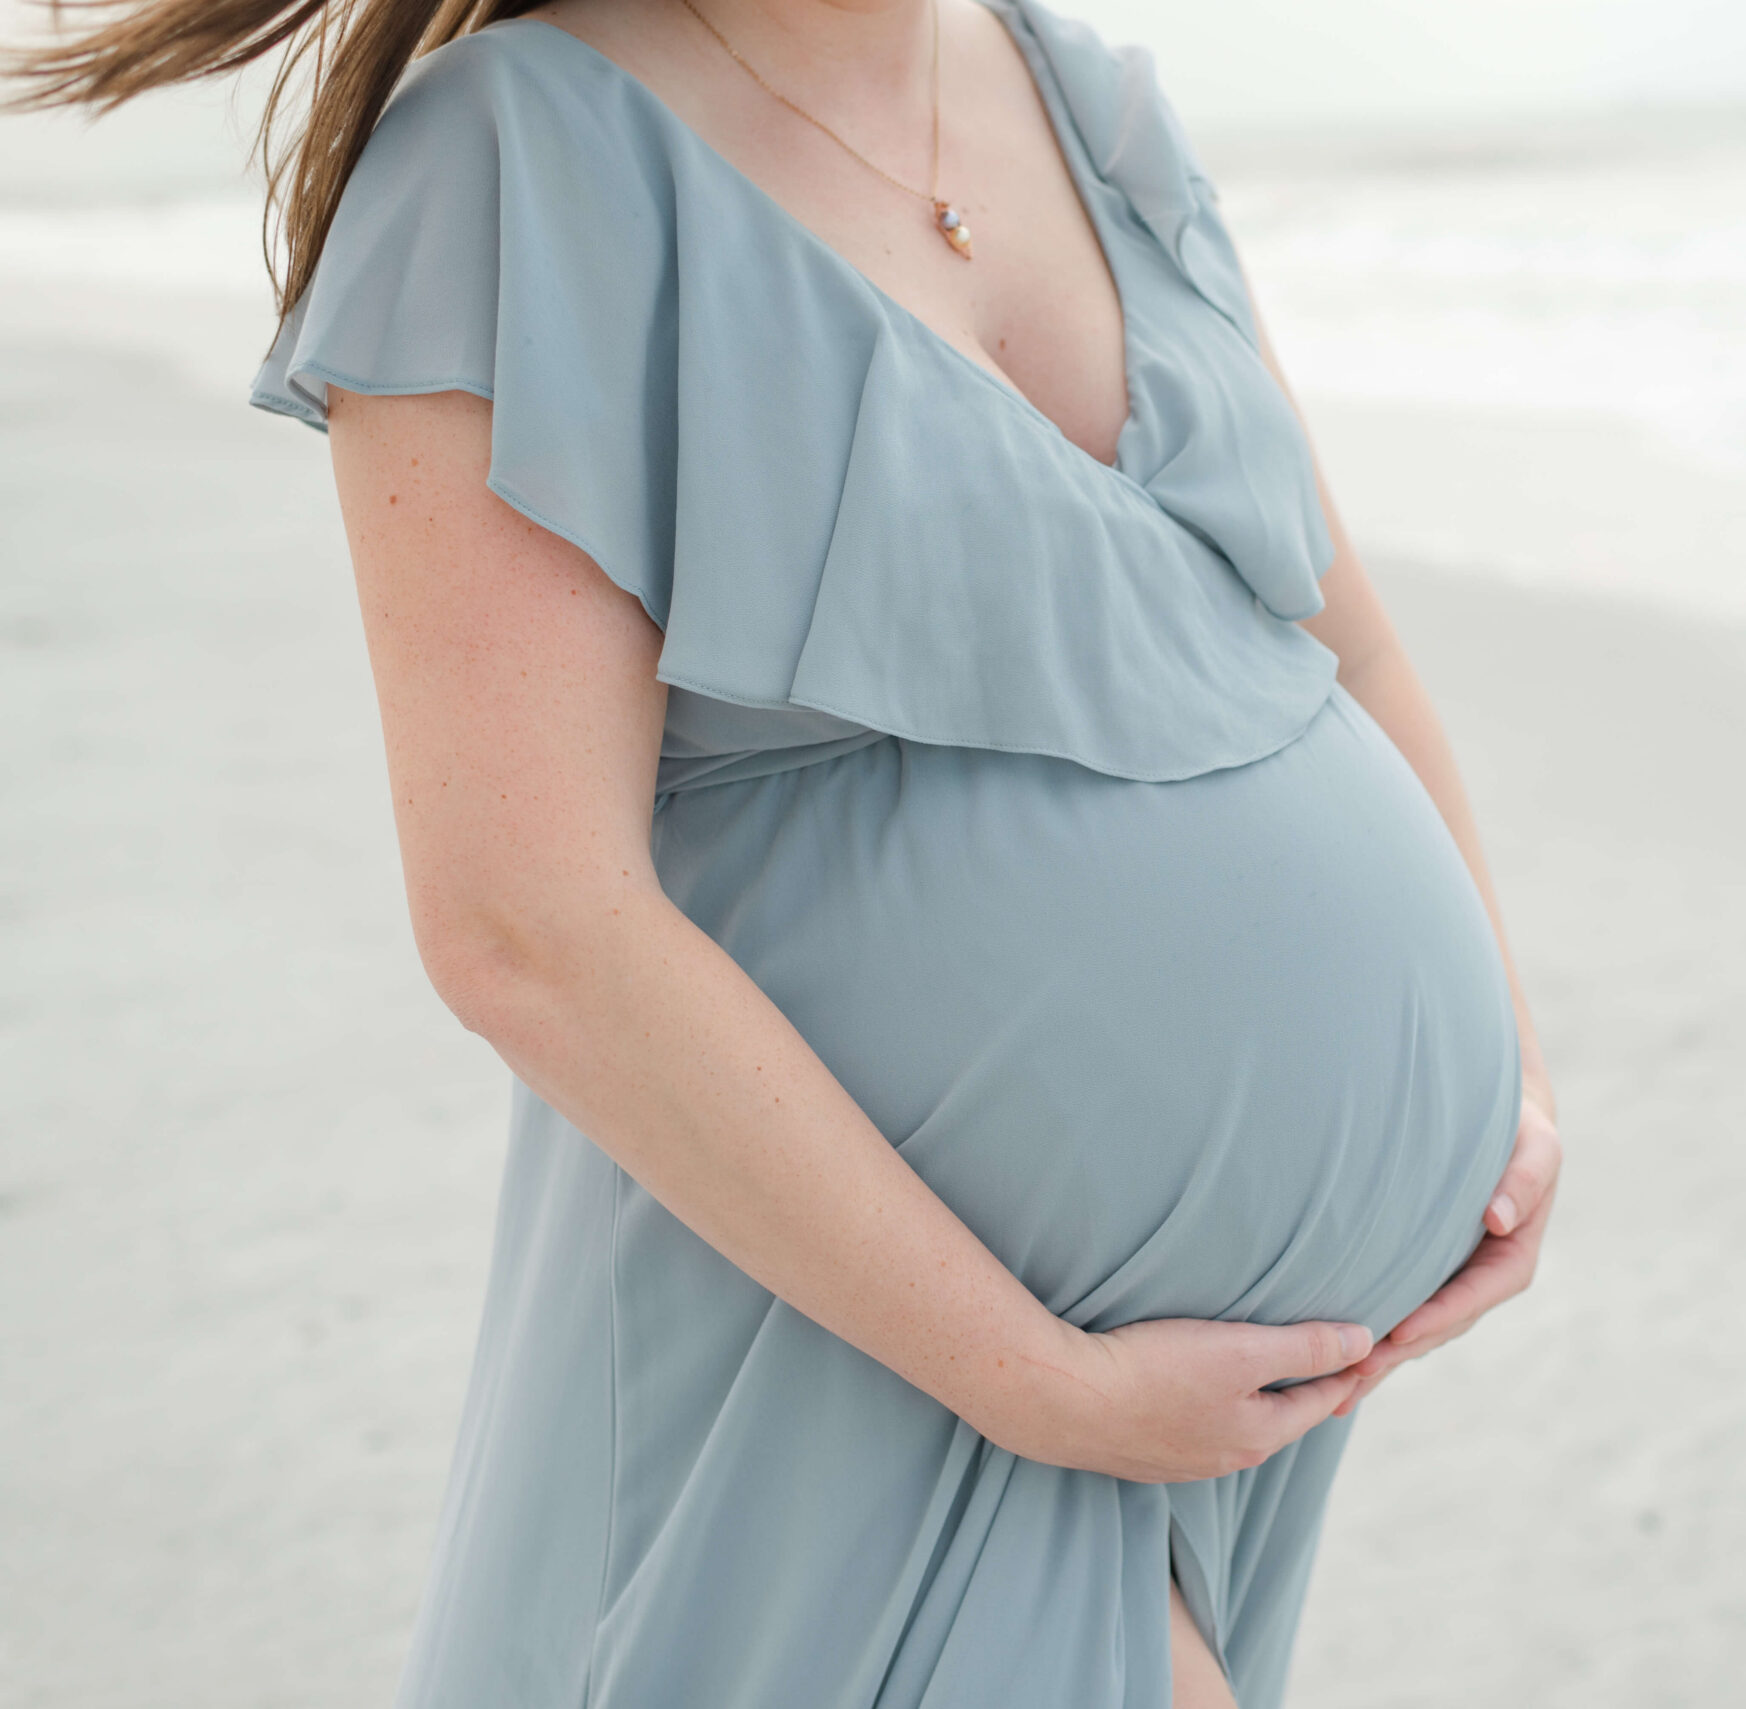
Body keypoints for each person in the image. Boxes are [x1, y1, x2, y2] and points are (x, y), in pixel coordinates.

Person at [9, 0, 1562, 1701]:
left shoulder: (1076, 96)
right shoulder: (512, 161)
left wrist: (1509, 1097)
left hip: (1186, 1412)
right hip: (873, 1365)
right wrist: (1041, 1384)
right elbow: (526, 925)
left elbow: (1349, 648)